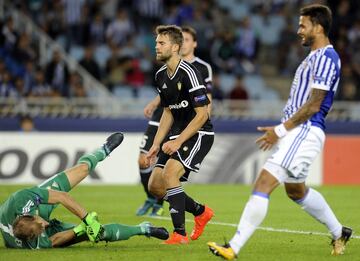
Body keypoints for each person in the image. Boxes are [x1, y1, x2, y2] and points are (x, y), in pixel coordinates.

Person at [207, 4, 352, 259]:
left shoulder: (327, 57)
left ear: (318, 27)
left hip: (304, 130)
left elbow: (315, 104)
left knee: (264, 181)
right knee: (296, 191)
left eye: (303, 25)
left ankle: (233, 247)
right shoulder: (314, 57)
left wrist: (281, 130)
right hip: (299, 131)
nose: (298, 31)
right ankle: (339, 231)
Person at [0, 132, 169, 249]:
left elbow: (61, 197)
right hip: (39, 227)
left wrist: (87, 220)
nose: (45, 225)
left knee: (81, 171)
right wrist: (81, 229)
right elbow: (52, 241)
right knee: (97, 233)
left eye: (41, 224)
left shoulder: (21, 199)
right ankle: (143, 229)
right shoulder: (32, 242)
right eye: (41, 229)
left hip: (39, 201)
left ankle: (103, 150)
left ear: (30, 214)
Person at [145, 25, 214, 244]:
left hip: (198, 133)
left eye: (161, 43)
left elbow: (203, 114)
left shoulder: (191, 73)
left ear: (175, 47)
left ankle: (179, 234)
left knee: (170, 174)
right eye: (156, 42)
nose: (156, 46)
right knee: (155, 186)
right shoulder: (160, 75)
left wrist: (178, 141)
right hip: (175, 134)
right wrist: (157, 143)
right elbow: (167, 111)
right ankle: (200, 212)